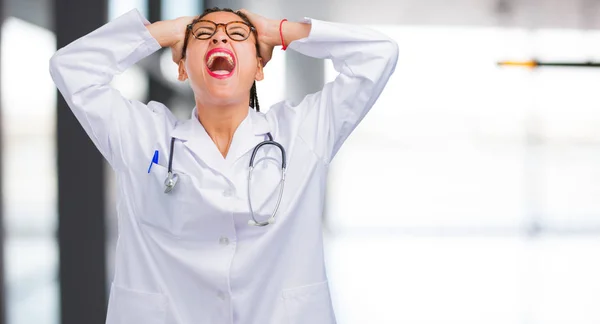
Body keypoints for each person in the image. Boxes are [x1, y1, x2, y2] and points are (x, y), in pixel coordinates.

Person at [49, 6, 398, 324]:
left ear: (259, 66)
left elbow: (378, 55)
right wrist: (163, 32)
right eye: (203, 34)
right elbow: (71, 67)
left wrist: (281, 31)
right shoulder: (143, 137)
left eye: (237, 34)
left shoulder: (302, 132)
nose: (219, 36)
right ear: (182, 66)